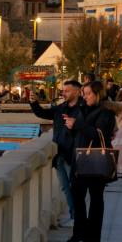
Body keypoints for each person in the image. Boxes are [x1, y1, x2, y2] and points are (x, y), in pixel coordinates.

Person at [67, 79, 116, 242]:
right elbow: (80, 132)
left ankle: (92, 237)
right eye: (84, 93)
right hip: (80, 157)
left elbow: (98, 134)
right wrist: (71, 126)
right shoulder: (83, 108)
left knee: (95, 198)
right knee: (77, 195)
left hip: (96, 159)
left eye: (88, 94)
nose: (85, 97)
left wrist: (78, 124)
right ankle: (79, 233)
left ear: (98, 94)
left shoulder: (106, 112)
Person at [30, 80, 82, 224]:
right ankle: (74, 216)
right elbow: (43, 113)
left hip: (74, 154)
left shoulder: (83, 109)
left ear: (77, 91)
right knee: (65, 187)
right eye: (63, 91)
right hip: (59, 153)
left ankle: (78, 217)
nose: (64, 93)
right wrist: (34, 103)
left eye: (67, 91)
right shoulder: (61, 107)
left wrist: (75, 124)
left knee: (76, 188)